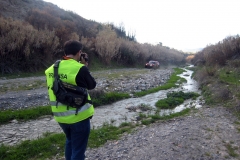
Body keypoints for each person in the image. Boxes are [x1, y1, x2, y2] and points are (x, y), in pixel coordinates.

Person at [45, 40, 96, 160]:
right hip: (79, 116)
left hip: (60, 117)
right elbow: (92, 85)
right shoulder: (79, 68)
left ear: (65, 52)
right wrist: (84, 66)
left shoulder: (51, 69)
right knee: (78, 150)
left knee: (70, 141)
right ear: (79, 52)